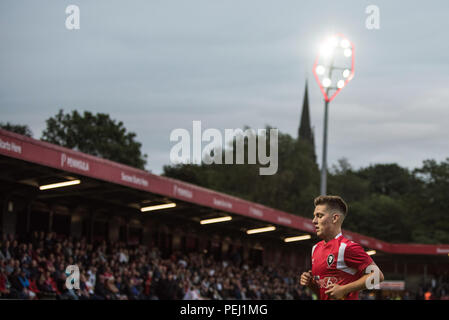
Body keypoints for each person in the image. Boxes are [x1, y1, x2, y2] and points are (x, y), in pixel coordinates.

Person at [300, 195, 384, 300]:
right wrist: (311, 284)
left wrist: (343, 289)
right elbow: (323, 294)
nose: (314, 221)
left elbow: (377, 276)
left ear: (335, 218)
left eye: (319, 216)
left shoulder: (347, 247)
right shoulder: (316, 248)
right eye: (314, 216)